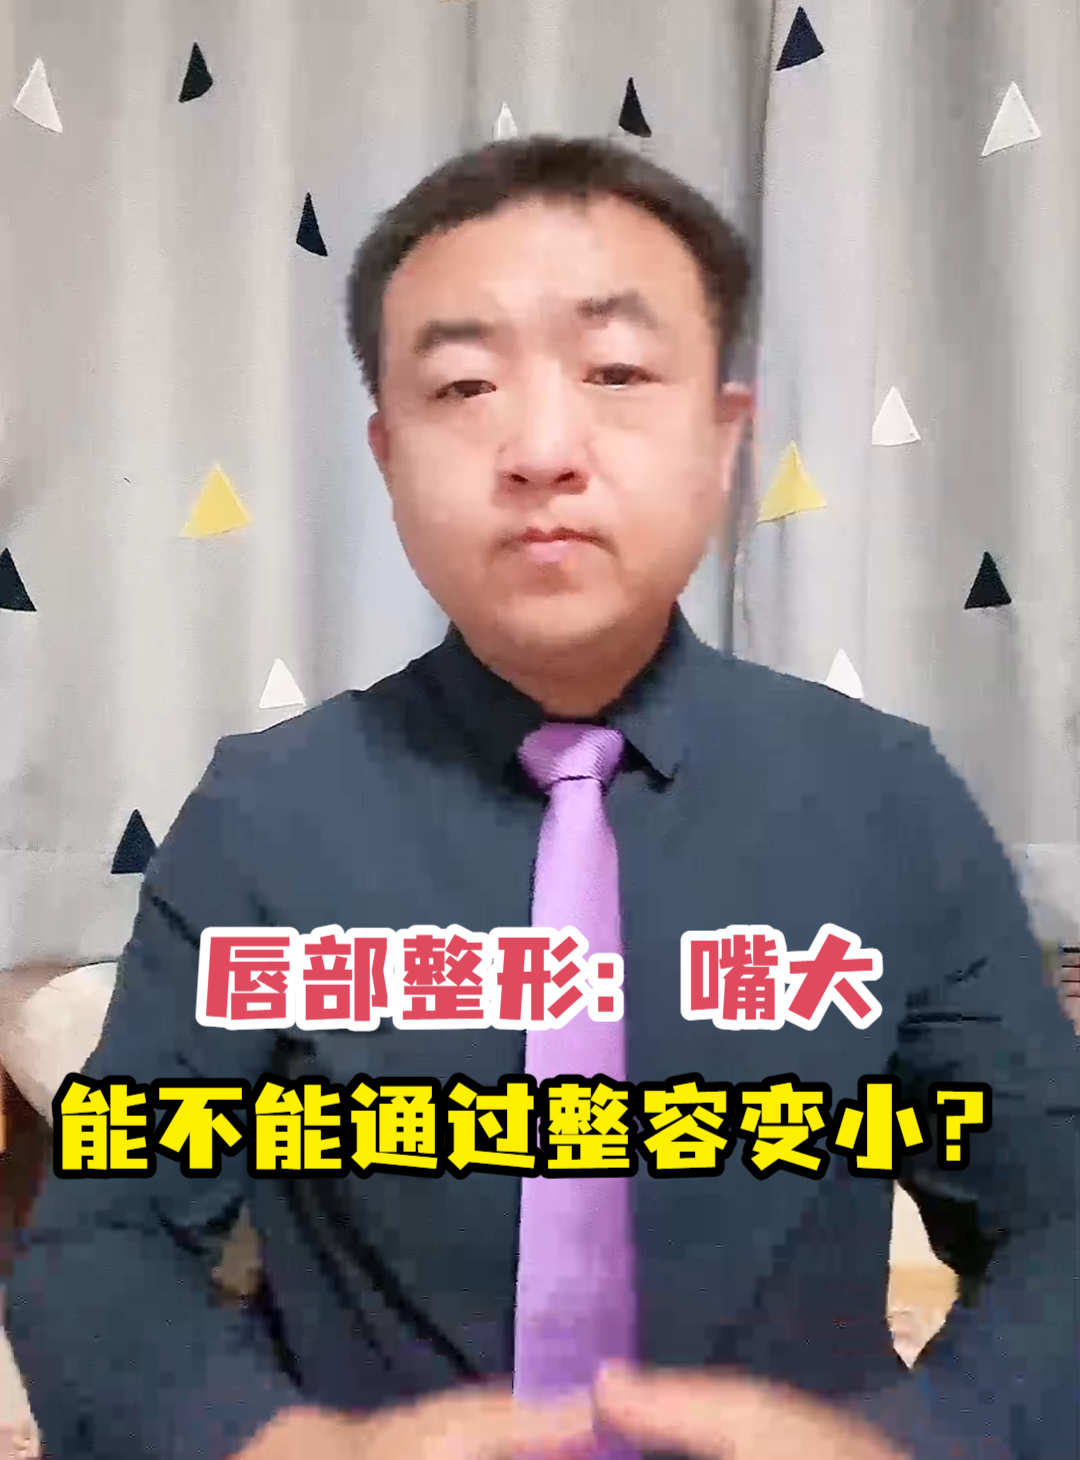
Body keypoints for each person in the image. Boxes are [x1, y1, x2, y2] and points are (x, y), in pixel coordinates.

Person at [7, 136, 1077, 1460]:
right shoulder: (266, 815)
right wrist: (281, 1448)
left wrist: (928, 1441)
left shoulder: (887, 798)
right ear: (388, 457)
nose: (543, 448)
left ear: (724, 440)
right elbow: (105, 1240)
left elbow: (1058, 1219)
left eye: (617, 373)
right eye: (464, 385)